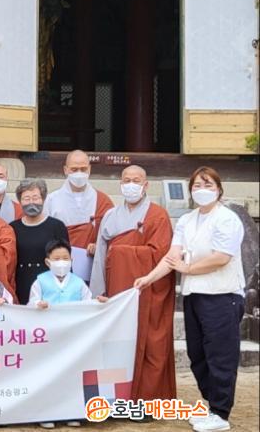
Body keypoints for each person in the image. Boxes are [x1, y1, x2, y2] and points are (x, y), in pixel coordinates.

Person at [135, 167, 245, 432]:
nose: (202, 190)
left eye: (208, 185)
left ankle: (220, 412)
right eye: (197, 186)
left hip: (222, 295)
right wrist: (149, 278)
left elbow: (221, 257)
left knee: (220, 356)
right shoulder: (187, 220)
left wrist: (189, 269)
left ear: (219, 190)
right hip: (194, 295)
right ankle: (212, 405)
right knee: (198, 354)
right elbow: (173, 257)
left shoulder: (227, 219)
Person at [90, 165, 176, 404]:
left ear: (145, 185)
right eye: (126, 180)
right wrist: (99, 290)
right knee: (117, 343)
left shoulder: (158, 215)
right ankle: (117, 399)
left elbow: (161, 255)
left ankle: (147, 400)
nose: (131, 185)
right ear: (120, 184)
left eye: (136, 181)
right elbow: (100, 256)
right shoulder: (110, 215)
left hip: (148, 291)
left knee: (149, 342)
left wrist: (121, 252)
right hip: (117, 289)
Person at [28, 238, 104, 431]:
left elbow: (89, 304)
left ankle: (72, 412)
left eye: (65, 258)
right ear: (48, 261)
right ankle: (46, 413)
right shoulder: (40, 281)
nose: (61, 262)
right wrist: (38, 305)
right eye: (56, 258)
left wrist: (101, 303)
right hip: (49, 337)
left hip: (73, 337)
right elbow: (31, 304)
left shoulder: (79, 283)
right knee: (48, 374)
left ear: (71, 260)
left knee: (72, 374)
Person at [43, 150, 113, 258]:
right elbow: (45, 234)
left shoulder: (103, 200)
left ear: (89, 169)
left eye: (83, 169)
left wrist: (98, 246)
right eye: (74, 169)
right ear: (65, 170)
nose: (79, 173)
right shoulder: (51, 200)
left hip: (92, 260)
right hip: (60, 260)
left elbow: (111, 234)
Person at [10, 179, 69, 305]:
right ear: (20, 201)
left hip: (50, 284)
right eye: (26, 198)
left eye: (35, 198)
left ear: (43, 199)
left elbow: (66, 258)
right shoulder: (12, 228)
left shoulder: (57, 226)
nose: (31, 202)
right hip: (21, 283)